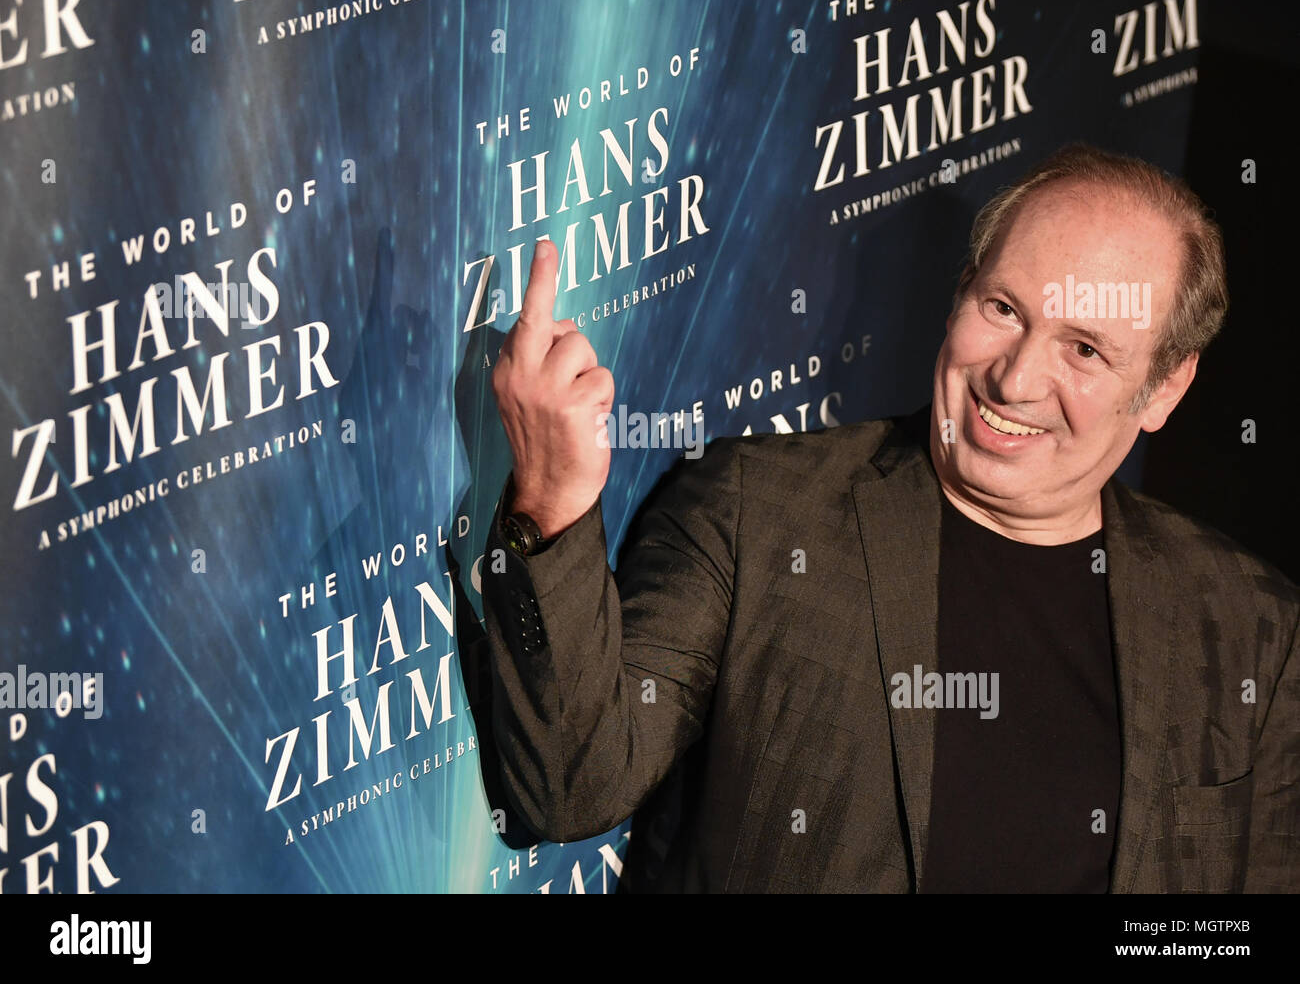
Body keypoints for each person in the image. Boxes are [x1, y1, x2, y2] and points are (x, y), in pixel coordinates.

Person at [480, 143, 1299, 893]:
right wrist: (550, 505)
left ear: (1164, 388)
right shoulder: (755, 511)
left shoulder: (1250, 626)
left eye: (1085, 349)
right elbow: (568, 785)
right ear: (959, 295)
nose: (1014, 381)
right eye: (1004, 308)